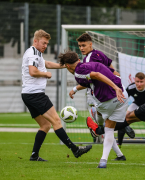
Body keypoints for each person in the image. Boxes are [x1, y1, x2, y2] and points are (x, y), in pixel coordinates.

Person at [21, 30, 92, 161]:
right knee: (56, 121)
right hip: (35, 94)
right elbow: (33, 71)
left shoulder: (33, 52)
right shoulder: (33, 54)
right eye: (43, 43)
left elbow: (45, 64)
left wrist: (64, 66)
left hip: (27, 94)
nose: (45, 46)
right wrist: (45, 74)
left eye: (47, 43)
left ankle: (34, 155)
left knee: (45, 125)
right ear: (35, 41)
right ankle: (75, 150)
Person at [59, 50, 128, 168]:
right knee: (109, 129)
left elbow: (96, 75)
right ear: (79, 60)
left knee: (98, 116)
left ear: (68, 66)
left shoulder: (78, 73)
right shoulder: (95, 64)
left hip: (108, 99)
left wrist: (115, 88)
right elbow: (112, 73)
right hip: (123, 96)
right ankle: (105, 159)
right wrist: (118, 87)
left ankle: (97, 128)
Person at [75, 33, 135, 141]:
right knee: (108, 117)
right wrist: (117, 81)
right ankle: (118, 127)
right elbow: (112, 70)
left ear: (90, 44)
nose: (81, 48)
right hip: (114, 87)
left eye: (83, 45)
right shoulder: (99, 53)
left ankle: (99, 131)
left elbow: (94, 79)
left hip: (100, 92)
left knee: (100, 117)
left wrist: (75, 89)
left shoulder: (87, 61)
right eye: (79, 46)